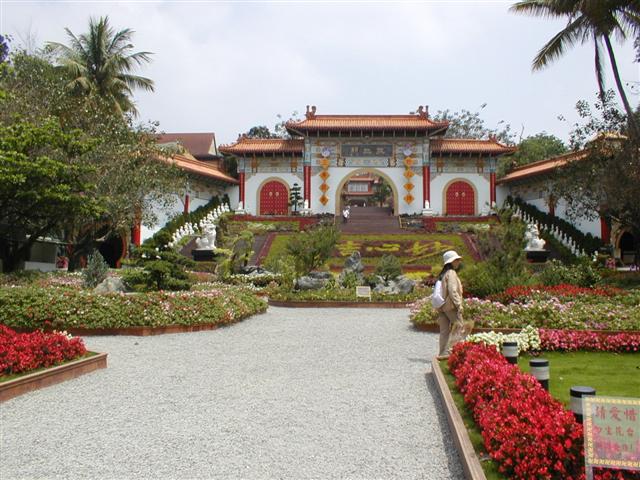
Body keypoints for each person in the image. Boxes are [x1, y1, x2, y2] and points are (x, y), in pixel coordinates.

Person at [435, 250, 467, 358]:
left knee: (444, 332)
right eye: (456, 260)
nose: (458, 262)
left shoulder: (443, 274)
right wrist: (459, 304)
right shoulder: (452, 273)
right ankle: (453, 353)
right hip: (451, 306)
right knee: (459, 328)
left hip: (442, 307)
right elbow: (452, 290)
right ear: (451, 261)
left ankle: (442, 354)